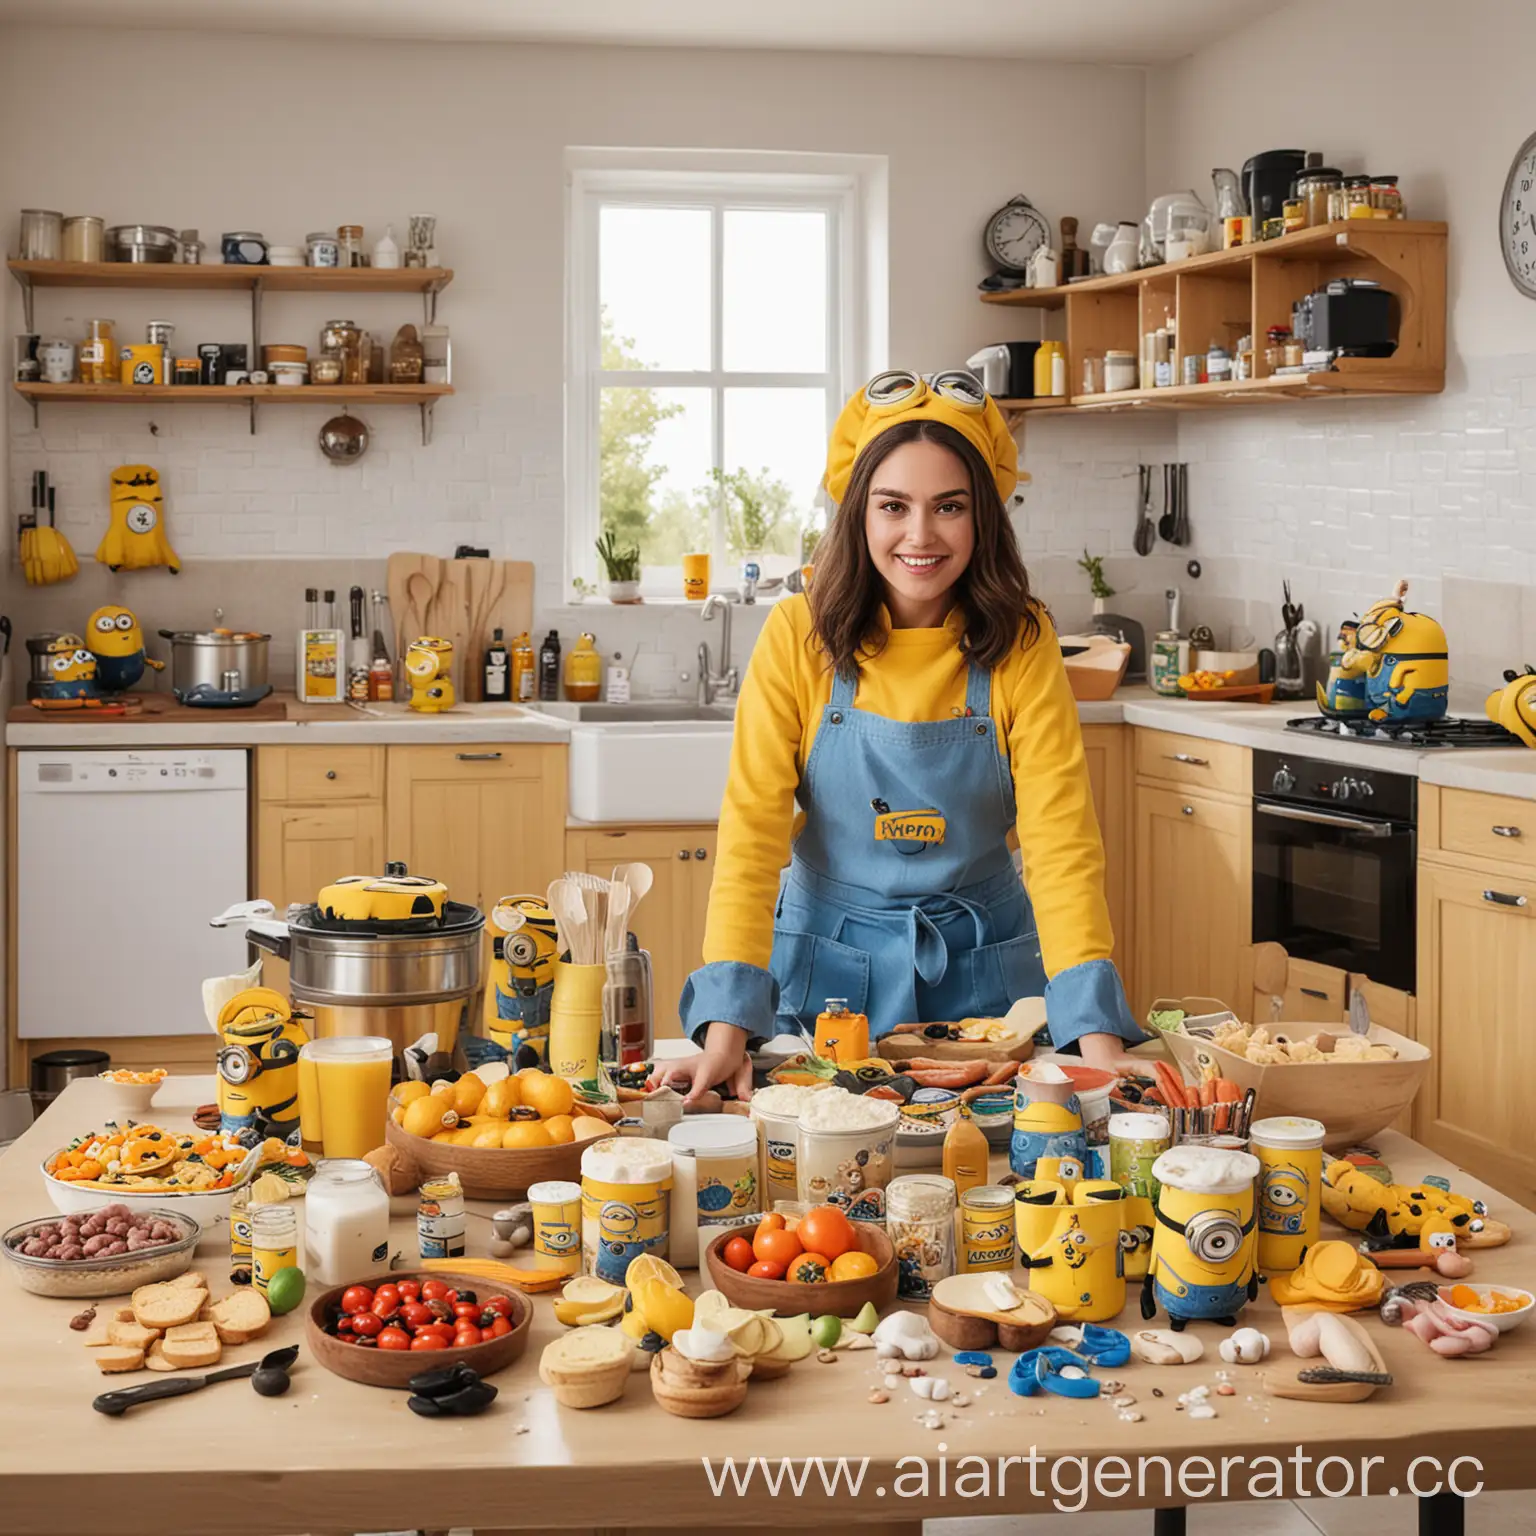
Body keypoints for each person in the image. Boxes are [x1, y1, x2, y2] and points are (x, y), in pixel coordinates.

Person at [660, 369, 1145, 1102]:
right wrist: (727, 1026)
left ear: (983, 517)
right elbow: (753, 833)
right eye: (894, 506)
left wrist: (1098, 1044)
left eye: (949, 507)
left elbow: (1061, 841)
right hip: (826, 991)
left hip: (991, 996)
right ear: (860, 513)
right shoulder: (799, 634)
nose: (920, 536)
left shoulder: (1022, 639)